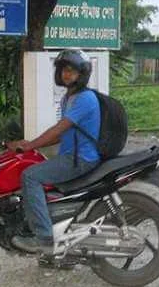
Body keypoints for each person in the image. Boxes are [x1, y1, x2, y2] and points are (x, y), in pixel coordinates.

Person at [7, 49, 101, 254]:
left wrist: (30, 145)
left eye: (72, 70)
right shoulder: (69, 98)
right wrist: (32, 144)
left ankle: (44, 238)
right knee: (32, 164)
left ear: (82, 73)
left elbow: (58, 129)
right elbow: (62, 133)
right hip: (71, 156)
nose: (66, 74)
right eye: (63, 70)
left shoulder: (85, 98)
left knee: (30, 176)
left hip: (80, 159)